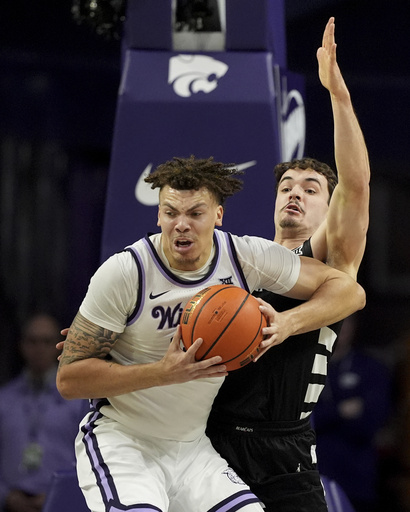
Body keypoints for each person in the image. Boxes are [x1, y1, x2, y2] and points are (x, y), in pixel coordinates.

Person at [56, 154, 364, 512]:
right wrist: (162, 372)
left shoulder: (245, 257)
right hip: (126, 439)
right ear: (158, 216)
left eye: (195, 214)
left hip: (194, 448)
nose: (181, 225)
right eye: (170, 213)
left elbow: (350, 292)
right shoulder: (125, 272)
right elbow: (69, 380)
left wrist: (286, 324)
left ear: (218, 216)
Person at [206, 16, 371, 512]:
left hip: (285, 447)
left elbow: (357, 185)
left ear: (328, 209)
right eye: (286, 187)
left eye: (310, 189)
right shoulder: (240, 257)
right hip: (211, 437)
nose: (295, 194)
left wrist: (339, 97)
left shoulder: (323, 258)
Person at [0, 313, 88, 512]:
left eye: (47, 341)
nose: (39, 348)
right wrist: (5, 494)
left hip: (62, 504)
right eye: (32, 341)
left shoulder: (79, 400)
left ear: (60, 346)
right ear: (21, 345)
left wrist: (62, 494)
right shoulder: (4, 401)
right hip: (10, 504)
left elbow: (90, 460)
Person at [313, 313, 392, 512]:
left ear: (355, 326)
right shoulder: (308, 368)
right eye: (335, 320)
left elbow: (371, 422)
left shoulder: (371, 368)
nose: (341, 327)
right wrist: (340, 411)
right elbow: (304, 421)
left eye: (346, 321)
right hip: (313, 477)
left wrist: (325, 417)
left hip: (357, 479)